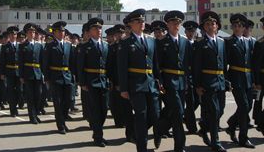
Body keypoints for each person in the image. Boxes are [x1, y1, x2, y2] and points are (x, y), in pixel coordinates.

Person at [117, 9, 162, 152]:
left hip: (151, 83)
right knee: (141, 117)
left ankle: (154, 134)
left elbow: (155, 64)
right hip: (135, 85)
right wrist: (123, 88)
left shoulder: (151, 40)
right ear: (131, 24)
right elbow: (122, 67)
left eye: (143, 21)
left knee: (155, 113)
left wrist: (158, 81)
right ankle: (141, 147)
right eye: (138, 21)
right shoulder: (125, 43)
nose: (142, 23)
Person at [157, 10, 192, 152]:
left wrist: (189, 80)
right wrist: (159, 82)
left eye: (178, 23)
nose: (175, 25)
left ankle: (159, 128)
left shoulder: (185, 42)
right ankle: (180, 146)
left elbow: (189, 64)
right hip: (168, 82)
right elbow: (157, 64)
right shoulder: (161, 42)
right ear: (167, 24)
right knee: (178, 112)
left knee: (175, 111)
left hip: (182, 82)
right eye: (172, 22)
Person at [192, 11, 227, 152]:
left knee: (221, 110)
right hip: (207, 82)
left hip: (220, 81)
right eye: (207, 24)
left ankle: (204, 128)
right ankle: (216, 143)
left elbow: (224, 64)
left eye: (213, 23)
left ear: (217, 26)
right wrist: (197, 85)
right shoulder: (200, 44)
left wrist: (226, 81)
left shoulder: (221, 42)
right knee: (214, 111)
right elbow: (196, 67)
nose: (211, 26)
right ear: (204, 27)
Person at [77, 17, 110, 147]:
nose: (98, 30)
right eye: (95, 28)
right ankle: (98, 136)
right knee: (96, 110)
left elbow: (110, 65)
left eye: (100, 28)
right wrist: (82, 83)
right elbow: (80, 66)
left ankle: (98, 132)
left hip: (104, 81)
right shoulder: (84, 46)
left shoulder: (106, 46)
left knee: (104, 110)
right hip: (91, 82)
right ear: (90, 31)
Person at [226, 13, 255, 148]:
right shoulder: (228, 42)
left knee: (248, 106)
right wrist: (227, 81)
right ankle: (243, 138)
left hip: (248, 79)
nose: (237, 28)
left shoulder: (249, 42)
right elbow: (223, 63)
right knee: (243, 107)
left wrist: (255, 80)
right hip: (236, 78)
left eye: (240, 26)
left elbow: (252, 63)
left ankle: (232, 124)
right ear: (232, 27)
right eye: (235, 26)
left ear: (244, 28)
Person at [43, 21, 75, 134]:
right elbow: (45, 63)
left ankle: (63, 120)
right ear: (55, 33)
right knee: (58, 102)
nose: (62, 33)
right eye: (59, 31)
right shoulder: (50, 46)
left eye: (63, 31)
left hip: (67, 76)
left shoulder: (68, 45)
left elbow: (72, 62)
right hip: (55, 77)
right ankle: (60, 125)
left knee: (67, 101)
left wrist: (73, 77)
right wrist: (46, 78)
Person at [19, 23, 44, 124]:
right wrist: (21, 75)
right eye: (30, 32)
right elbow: (20, 62)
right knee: (30, 96)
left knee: (38, 95)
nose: (32, 34)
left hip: (38, 73)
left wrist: (43, 73)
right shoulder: (22, 46)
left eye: (33, 32)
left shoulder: (39, 46)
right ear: (26, 33)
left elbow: (42, 61)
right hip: (28, 73)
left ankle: (36, 113)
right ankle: (32, 116)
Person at [182, 20, 200, 134]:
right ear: (185, 31)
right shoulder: (183, 43)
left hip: (196, 75)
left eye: (192, 31)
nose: (191, 33)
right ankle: (192, 127)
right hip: (186, 75)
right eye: (189, 30)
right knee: (190, 101)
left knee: (196, 101)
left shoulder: (198, 43)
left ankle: (186, 117)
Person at [0, 26, 21, 117]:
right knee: (11, 91)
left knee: (20, 91)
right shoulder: (5, 47)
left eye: (15, 34)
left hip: (19, 71)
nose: (13, 36)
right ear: (9, 35)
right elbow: (2, 61)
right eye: (12, 34)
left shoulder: (20, 46)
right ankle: (13, 109)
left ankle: (15, 105)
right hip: (9, 71)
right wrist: (2, 73)